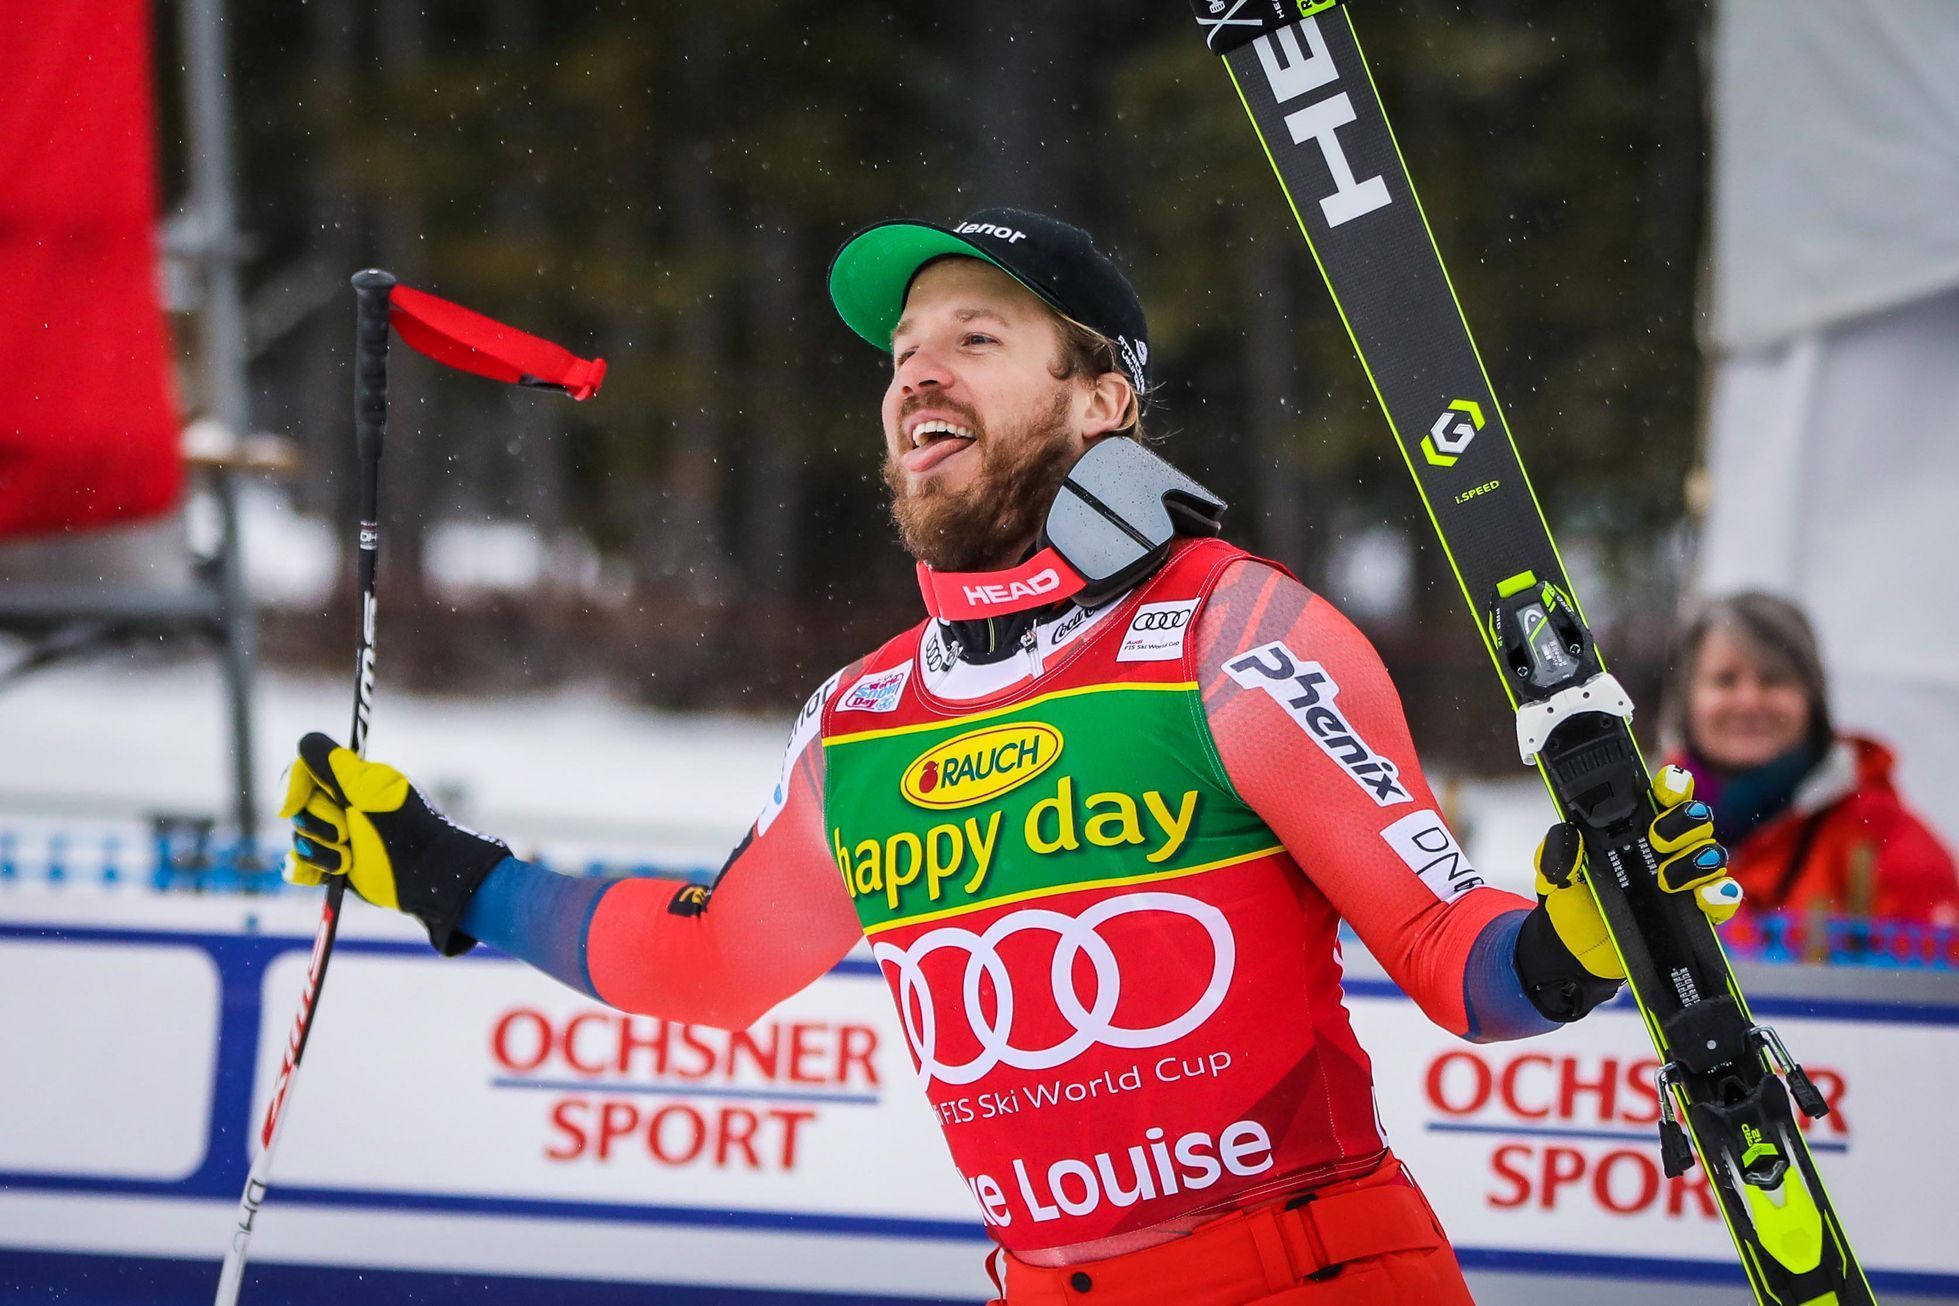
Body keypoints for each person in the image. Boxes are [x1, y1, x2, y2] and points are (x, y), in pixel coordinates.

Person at [281, 208, 1738, 1305]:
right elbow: (709, 963)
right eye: (903, 355)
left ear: (1102, 398)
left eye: (975, 339)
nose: (917, 376)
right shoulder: (864, 715)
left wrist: (1571, 933)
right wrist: (442, 868)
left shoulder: (1230, 636)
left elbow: (1450, 954)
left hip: (1310, 1276)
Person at [1666, 591, 1958, 927]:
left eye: (1773, 679)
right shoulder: (1643, 826)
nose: (1748, 701)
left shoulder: (1885, 840)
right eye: (1725, 680)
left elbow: (1936, 974)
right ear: (1687, 698)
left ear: (1813, 699)